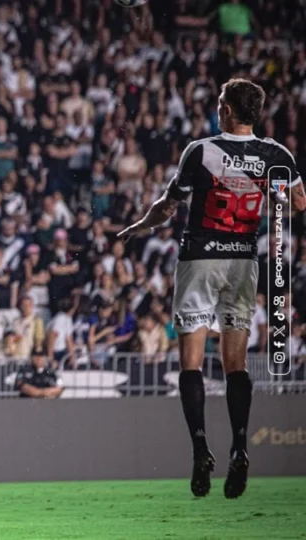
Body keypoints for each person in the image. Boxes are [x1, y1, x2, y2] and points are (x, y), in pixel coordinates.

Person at [119, 78, 306, 499]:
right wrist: (266, 190)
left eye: (220, 103)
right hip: (242, 263)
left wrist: (138, 227)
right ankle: (240, 447)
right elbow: (298, 203)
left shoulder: (201, 150)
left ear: (226, 110)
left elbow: (167, 207)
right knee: (235, 363)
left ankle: (201, 447)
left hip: (200, 259)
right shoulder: (276, 154)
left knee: (191, 362)